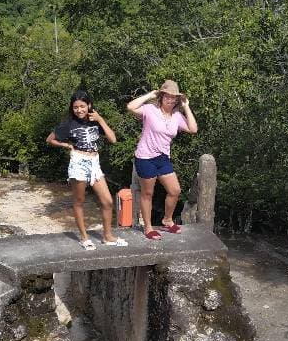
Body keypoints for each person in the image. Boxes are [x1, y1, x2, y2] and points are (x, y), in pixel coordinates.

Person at [46, 89, 128, 250]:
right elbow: (50, 139)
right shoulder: (68, 124)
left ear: (89, 105)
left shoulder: (95, 120)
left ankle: (107, 236)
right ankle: (84, 237)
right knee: (79, 201)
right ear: (72, 108)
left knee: (107, 201)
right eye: (76, 107)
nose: (79, 110)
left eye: (82, 106)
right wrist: (66, 145)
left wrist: (100, 119)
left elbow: (113, 139)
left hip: (94, 162)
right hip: (79, 162)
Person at [127, 80, 198, 240]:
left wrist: (186, 106)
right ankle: (148, 227)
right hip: (145, 158)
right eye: (167, 96)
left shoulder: (177, 116)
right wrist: (150, 95)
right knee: (147, 193)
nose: (171, 100)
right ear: (161, 96)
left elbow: (193, 129)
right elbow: (130, 107)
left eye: (174, 98)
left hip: (163, 158)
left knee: (175, 191)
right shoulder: (150, 109)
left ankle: (167, 219)